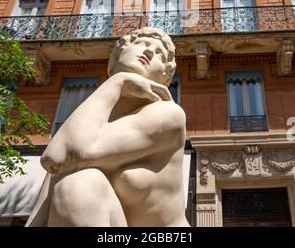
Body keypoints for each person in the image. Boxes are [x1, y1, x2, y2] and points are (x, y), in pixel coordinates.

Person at [26, 27, 189, 227]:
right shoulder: (92, 119)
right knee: (77, 182)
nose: (148, 52)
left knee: (80, 185)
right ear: (113, 59)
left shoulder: (168, 115)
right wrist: (118, 83)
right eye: (142, 44)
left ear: (165, 76)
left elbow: (69, 154)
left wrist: (117, 82)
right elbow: (55, 161)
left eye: (159, 54)